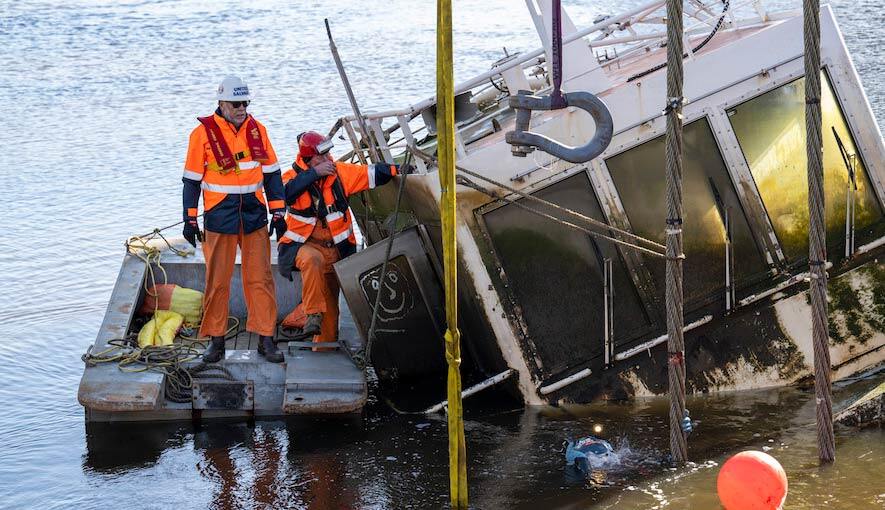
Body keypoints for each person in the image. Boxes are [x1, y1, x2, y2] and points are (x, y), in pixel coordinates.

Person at [182, 76, 287, 363]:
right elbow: (191, 181)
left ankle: (266, 339)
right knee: (218, 281)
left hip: (254, 215)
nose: (241, 109)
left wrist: (278, 211)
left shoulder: (258, 130)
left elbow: (272, 175)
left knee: (261, 279)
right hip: (219, 216)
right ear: (221, 103)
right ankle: (216, 342)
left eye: (245, 103)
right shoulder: (201, 135)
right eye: (236, 104)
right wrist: (189, 219)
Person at [278, 131, 412, 346]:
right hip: (302, 248)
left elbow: (370, 174)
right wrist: (314, 175)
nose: (328, 159)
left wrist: (399, 169)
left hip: (336, 253)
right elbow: (284, 194)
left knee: (330, 315)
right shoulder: (291, 177)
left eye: (328, 154)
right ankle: (311, 314)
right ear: (307, 159)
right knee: (313, 260)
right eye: (321, 157)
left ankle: (322, 349)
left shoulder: (340, 174)